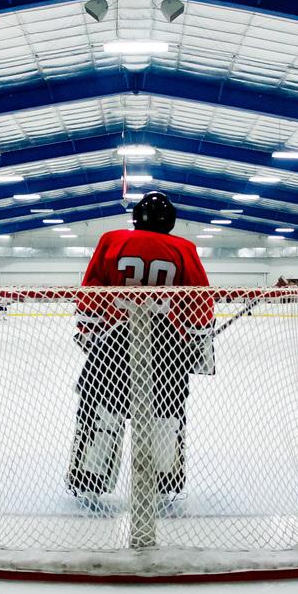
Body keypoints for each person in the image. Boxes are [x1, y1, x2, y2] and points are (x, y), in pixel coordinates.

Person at [66, 191, 212, 498]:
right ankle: (163, 479)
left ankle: (89, 476)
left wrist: (88, 332)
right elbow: (199, 299)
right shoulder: (184, 248)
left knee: (100, 407)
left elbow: (92, 289)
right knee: (167, 412)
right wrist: (198, 342)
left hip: (114, 342)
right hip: (167, 345)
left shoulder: (112, 240)